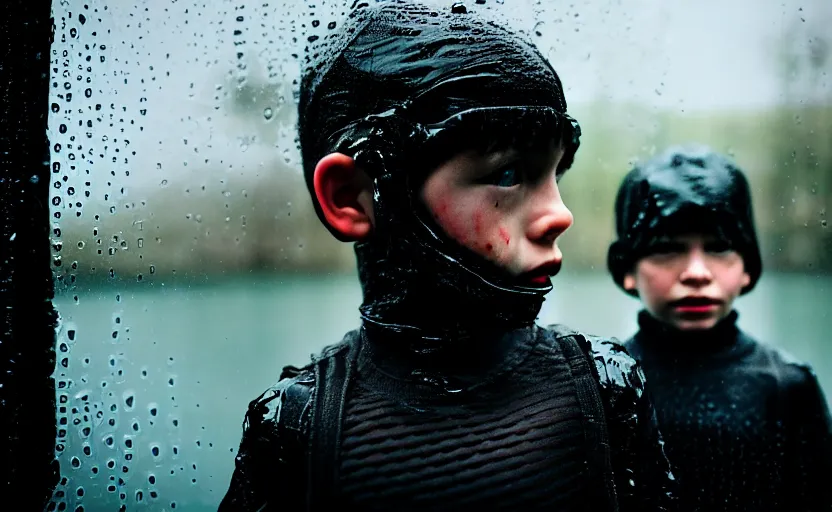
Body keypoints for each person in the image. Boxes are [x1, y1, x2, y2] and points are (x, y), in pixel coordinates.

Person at [220, 2, 677, 510]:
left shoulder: (606, 388)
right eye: (507, 174)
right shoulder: (296, 425)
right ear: (353, 196)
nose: (559, 214)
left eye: (555, 174)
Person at [606, 144, 832, 511]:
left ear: (747, 267)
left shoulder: (787, 387)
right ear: (627, 269)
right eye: (666, 248)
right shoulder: (606, 383)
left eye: (720, 247)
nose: (697, 273)